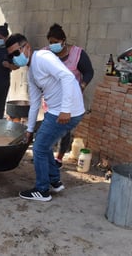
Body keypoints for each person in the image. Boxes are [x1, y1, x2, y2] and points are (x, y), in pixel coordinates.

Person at [5, 33, 85, 202]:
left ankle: (42, 190)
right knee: (45, 143)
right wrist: (29, 130)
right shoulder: (31, 72)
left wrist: (65, 110)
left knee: (39, 148)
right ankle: (55, 180)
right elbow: (34, 103)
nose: (15, 58)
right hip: (55, 111)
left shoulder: (42, 57)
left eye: (16, 52)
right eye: (11, 56)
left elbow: (68, 77)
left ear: (27, 47)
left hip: (66, 112)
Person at [44, 23, 94, 168]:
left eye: (56, 42)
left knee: (64, 129)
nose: (53, 45)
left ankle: (59, 158)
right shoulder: (47, 53)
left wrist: (82, 86)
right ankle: (45, 154)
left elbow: (89, 72)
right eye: (50, 42)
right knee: (49, 126)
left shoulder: (77, 54)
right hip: (52, 98)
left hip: (70, 99)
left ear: (64, 40)